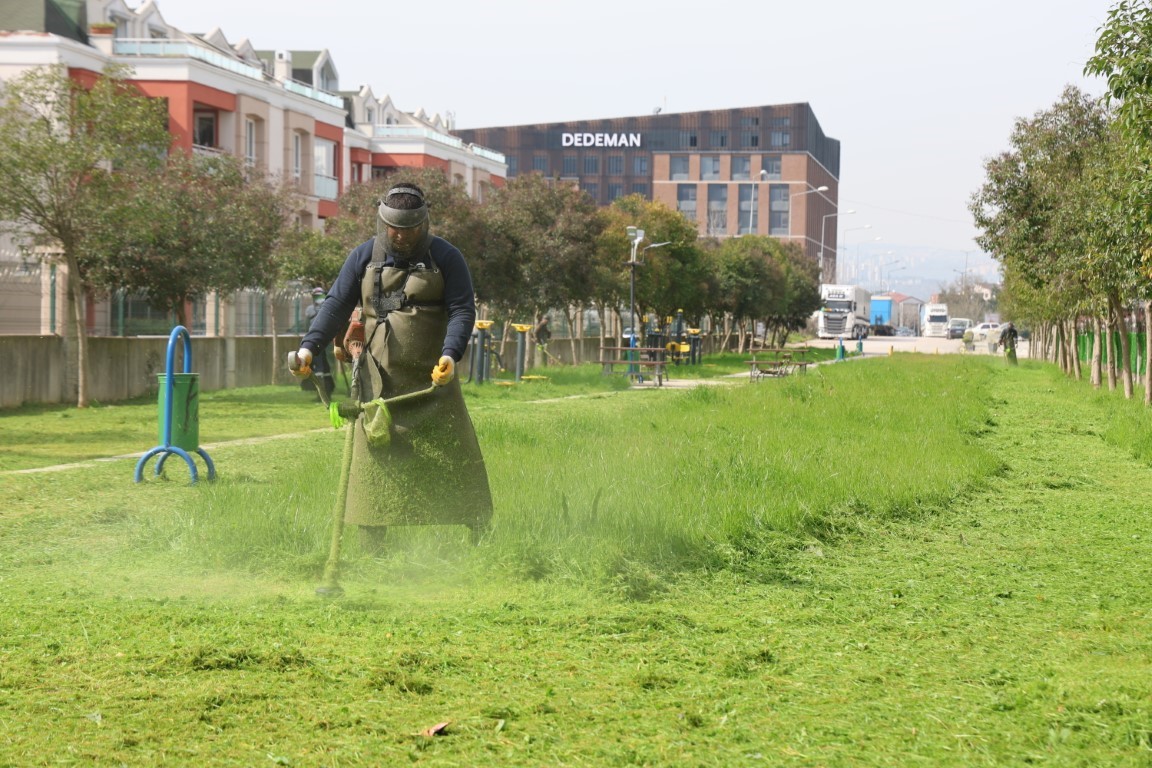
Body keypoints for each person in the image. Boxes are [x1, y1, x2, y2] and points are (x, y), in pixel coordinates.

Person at [288, 183, 492, 549]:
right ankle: (373, 545)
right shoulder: (363, 256)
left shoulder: (447, 257)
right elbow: (335, 305)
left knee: (451, 455)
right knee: (376, 462)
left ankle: (476, 538)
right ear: (383, 222)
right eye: (393, 228)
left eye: (409, 229)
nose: (400, 236)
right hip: (378, 383)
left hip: (433, 382)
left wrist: (450, 354)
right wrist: (307, 348)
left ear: (423, 223)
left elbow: (463, 310)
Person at [302, 288, 335, 398]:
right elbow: (307, 327)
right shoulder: (310, 309)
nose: (319, 299)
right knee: (318, 368)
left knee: (326, 368)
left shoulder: (328, 308)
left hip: (327, 343)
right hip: (314, 343)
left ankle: (328, 392)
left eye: (321, 296)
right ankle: (319, 394)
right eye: (316, 296)